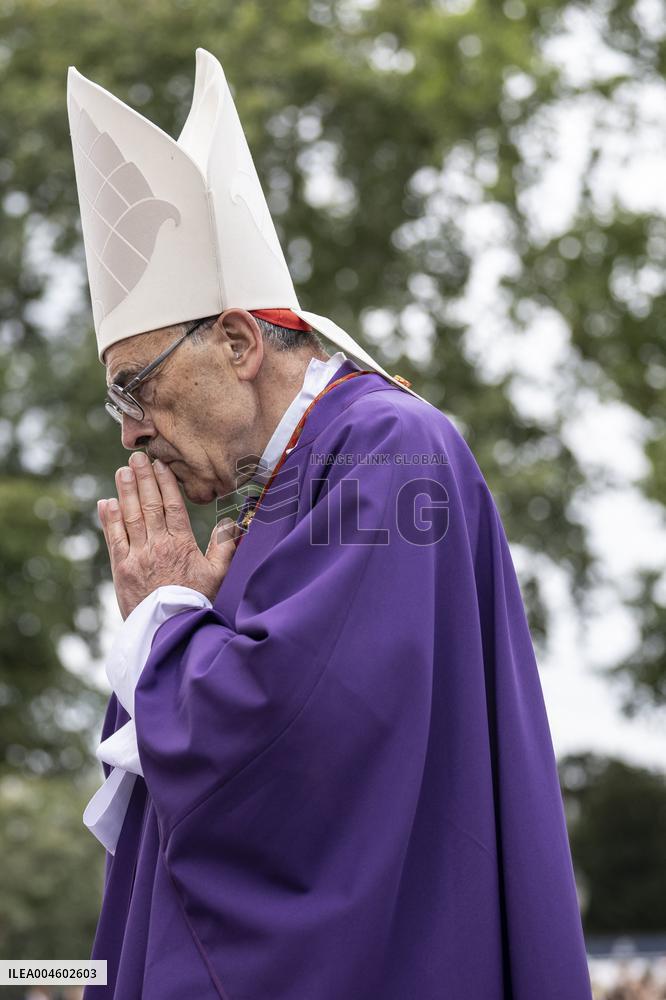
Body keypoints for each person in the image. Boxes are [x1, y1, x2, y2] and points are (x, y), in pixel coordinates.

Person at [66, 47, 594, 1000]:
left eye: (136, 387)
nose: (134, 429)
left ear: (235, 340)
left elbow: (310, 734)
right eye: (118, 405)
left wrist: (162, 622)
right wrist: (194, 621)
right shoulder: (288, 479)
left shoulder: (388, 445)